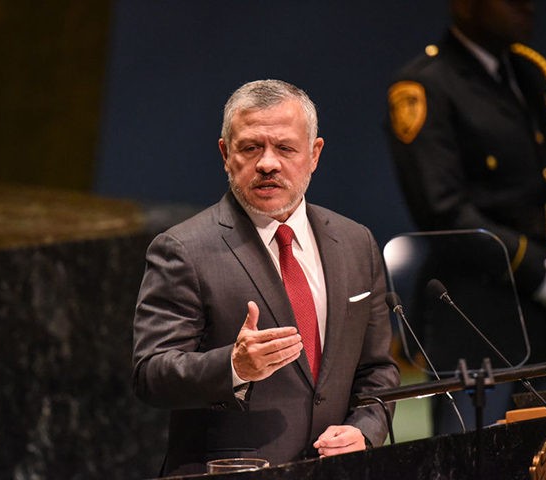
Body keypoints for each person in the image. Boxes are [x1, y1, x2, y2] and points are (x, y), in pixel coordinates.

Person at [133, 79, 400, 475]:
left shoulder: (355, 241)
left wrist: (365, 430)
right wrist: (234, 367)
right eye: (250, 147)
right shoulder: (183, 249)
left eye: (286, 148)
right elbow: (151, 374)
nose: (268, 163)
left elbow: (377, 368)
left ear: (314, 154)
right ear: (226, 154)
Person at [385, 0, 546, 434]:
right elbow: (442, 209)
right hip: (477, 317)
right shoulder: (425, 85)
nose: (526, 6)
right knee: (471, 461)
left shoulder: (532, 77)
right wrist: (539, 270)